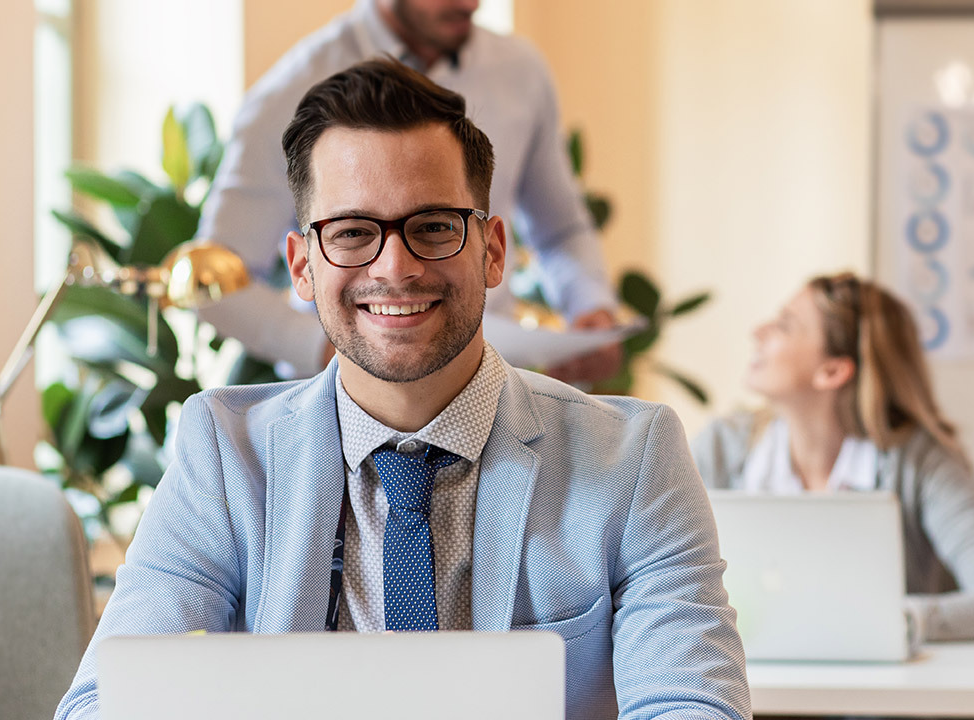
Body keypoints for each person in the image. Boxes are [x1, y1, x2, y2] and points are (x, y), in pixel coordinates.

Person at [55, 59, 749, 720]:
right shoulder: (224, 456)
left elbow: (692, 704)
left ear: (493, 249)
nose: (396, 266)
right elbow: (102, 702)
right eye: (354, 231)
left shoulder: (633, 460)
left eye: (434, 227)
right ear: (301, 266)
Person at [197, 0, 620, 381]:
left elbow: (560, 229)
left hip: (493, 385)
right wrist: (333, 348)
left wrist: (589, 308)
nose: (469, 3)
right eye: (353, 230)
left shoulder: (521, 72)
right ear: (300, 263)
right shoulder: (288, 92)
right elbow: (213, 284)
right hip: (341, 398)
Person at [690, 273, 974, 643]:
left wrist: (887, 624)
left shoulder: (918, 461)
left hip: (883, 697)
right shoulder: (720, 449)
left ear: (833, 370)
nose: (759, 332)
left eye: (785, 326)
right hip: (751, 689)